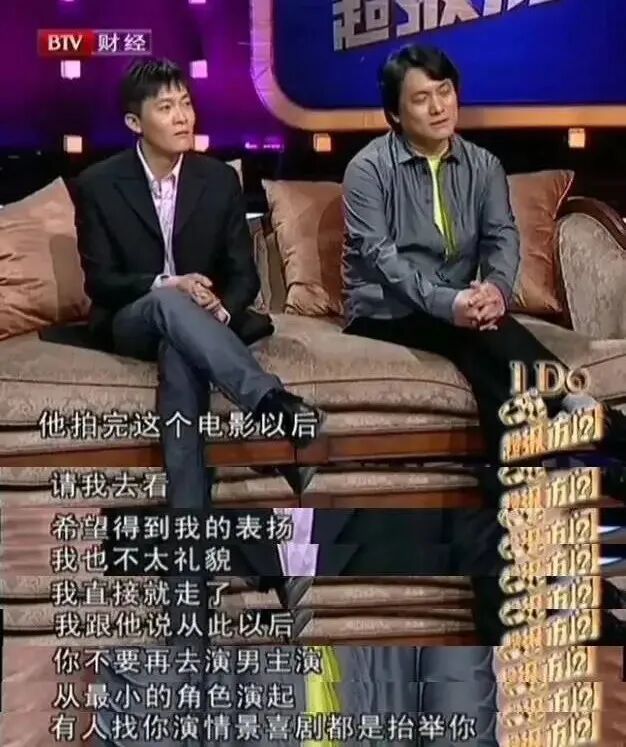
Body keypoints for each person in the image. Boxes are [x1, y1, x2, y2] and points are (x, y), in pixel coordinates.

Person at [341, 43, 626, 643]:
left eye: (444, 91)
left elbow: (502, 238)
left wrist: (495, 288)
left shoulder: (482, 164)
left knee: (508, 403)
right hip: (388, 310)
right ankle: (595, 422)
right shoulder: (368, 170)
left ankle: (522, 593)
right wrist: (453, 303)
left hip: (466, 311)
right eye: (421, 98)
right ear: (394, 114)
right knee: (484, 344)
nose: (438, 106)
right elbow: (384, 261)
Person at [71, 59, 325, 509]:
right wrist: (170, 284)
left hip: (200, 326)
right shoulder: (98, 184)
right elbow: (102, 282)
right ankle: (272, 405)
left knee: (180, 355)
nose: (182, 117)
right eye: (166, 107)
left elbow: (243, 274)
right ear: (134, 122)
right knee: (168, 300)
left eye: (186, 104)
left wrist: (220, 310)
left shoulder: (218, 179)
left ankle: (188, 538)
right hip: (133, 318)